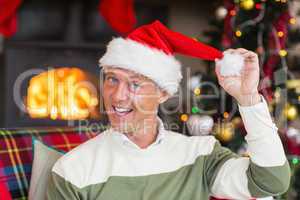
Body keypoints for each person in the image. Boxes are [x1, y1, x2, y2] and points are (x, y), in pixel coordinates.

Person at [46, 21, 290, 200]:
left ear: (164, 93)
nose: (118, 96)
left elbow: (271, 182)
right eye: (112, 79)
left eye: (135, 83)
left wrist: (247, 98)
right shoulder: (72, 170)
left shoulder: (201, 156)